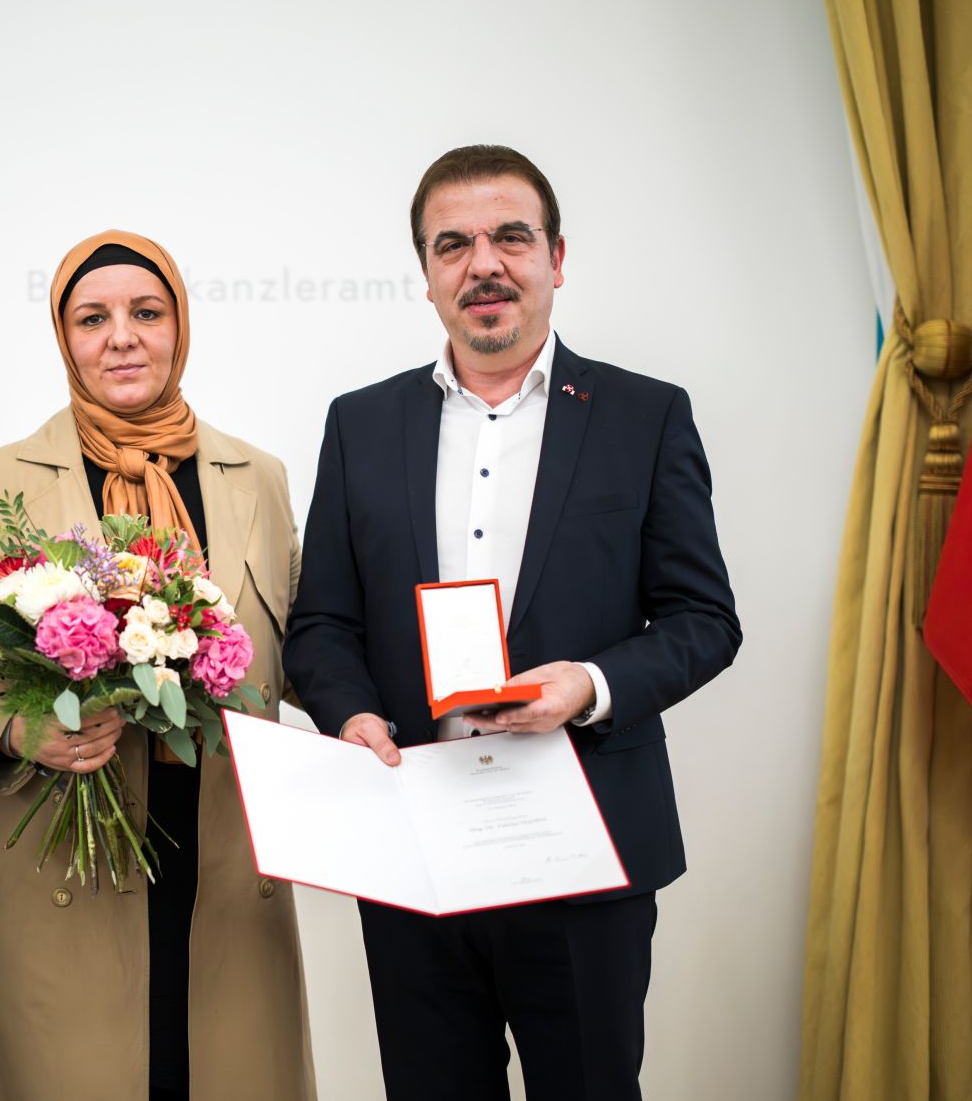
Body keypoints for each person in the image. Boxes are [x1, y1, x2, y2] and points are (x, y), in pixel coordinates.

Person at [284, 145, 742, 1100]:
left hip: (585, 846)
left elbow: (704, 619)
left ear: (556, 258)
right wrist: (349, 716)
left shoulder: (644, 416)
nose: (483, 263)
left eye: (510, 237)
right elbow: (322, 621)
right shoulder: (360, 424)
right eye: (453, 244)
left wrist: (591, 684)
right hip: (412, 842)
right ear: (426, 275)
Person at [0, 230, 315, 1101]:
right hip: (60, 859)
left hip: (221, 857)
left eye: (146, 312)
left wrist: (387, 709)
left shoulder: (261, 478)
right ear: (66, 339)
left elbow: (306, 647)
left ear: (180, 328)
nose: (122, 337)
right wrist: (27, 733)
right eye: (93, 318)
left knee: (204, 1068)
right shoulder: (1, 476)